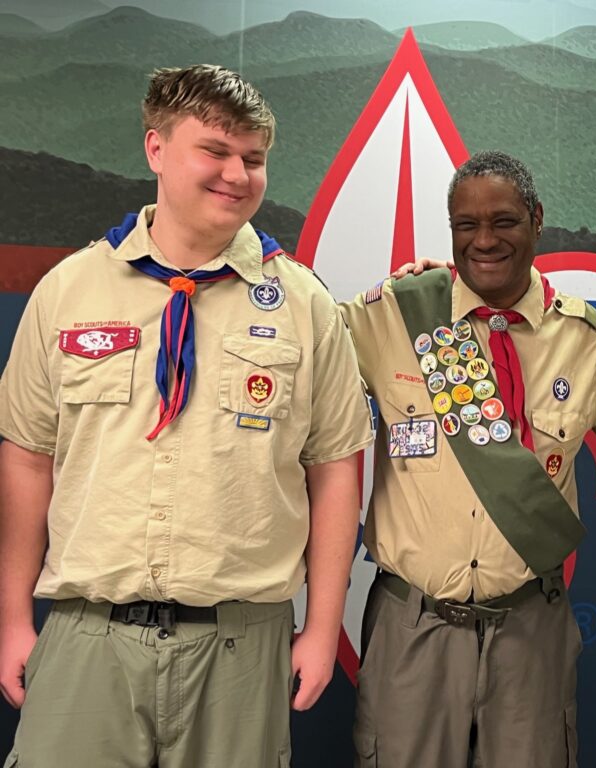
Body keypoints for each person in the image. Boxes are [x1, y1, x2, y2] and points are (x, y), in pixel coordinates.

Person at [0, 64, 373, 767]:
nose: (237, 174)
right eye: (216, 151)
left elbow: (334, 472)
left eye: (254, 159)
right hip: (88, 636)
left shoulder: (303, 304)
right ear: (156, 149)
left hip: (240, 646)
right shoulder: (69, 291)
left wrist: (323, 627)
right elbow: (25, 456)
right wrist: (14, 619)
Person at [339, 150, 596, 768]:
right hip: (414, 623)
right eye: (466, 225)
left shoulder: (584, 340)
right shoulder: (393, 316)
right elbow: (299, 375)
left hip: (530, 624)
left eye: (504, 221)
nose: (485, 241)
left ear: (536, 219)